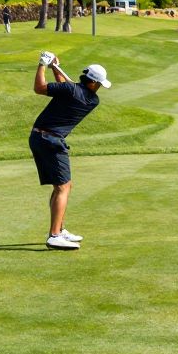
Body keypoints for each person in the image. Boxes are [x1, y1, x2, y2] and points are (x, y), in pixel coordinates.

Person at [30, 54, 112, 250]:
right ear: (92, 82)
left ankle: (59, 229)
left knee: (64, 186)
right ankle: (54, 235)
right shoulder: (90, 98)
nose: (99, 87)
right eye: (98, 83)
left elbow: (64, 89)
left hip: (43, 138)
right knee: (62, 187)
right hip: (49, 140)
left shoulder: (76, 91)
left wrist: (45, 64)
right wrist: (51, 67)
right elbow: (40, 88)